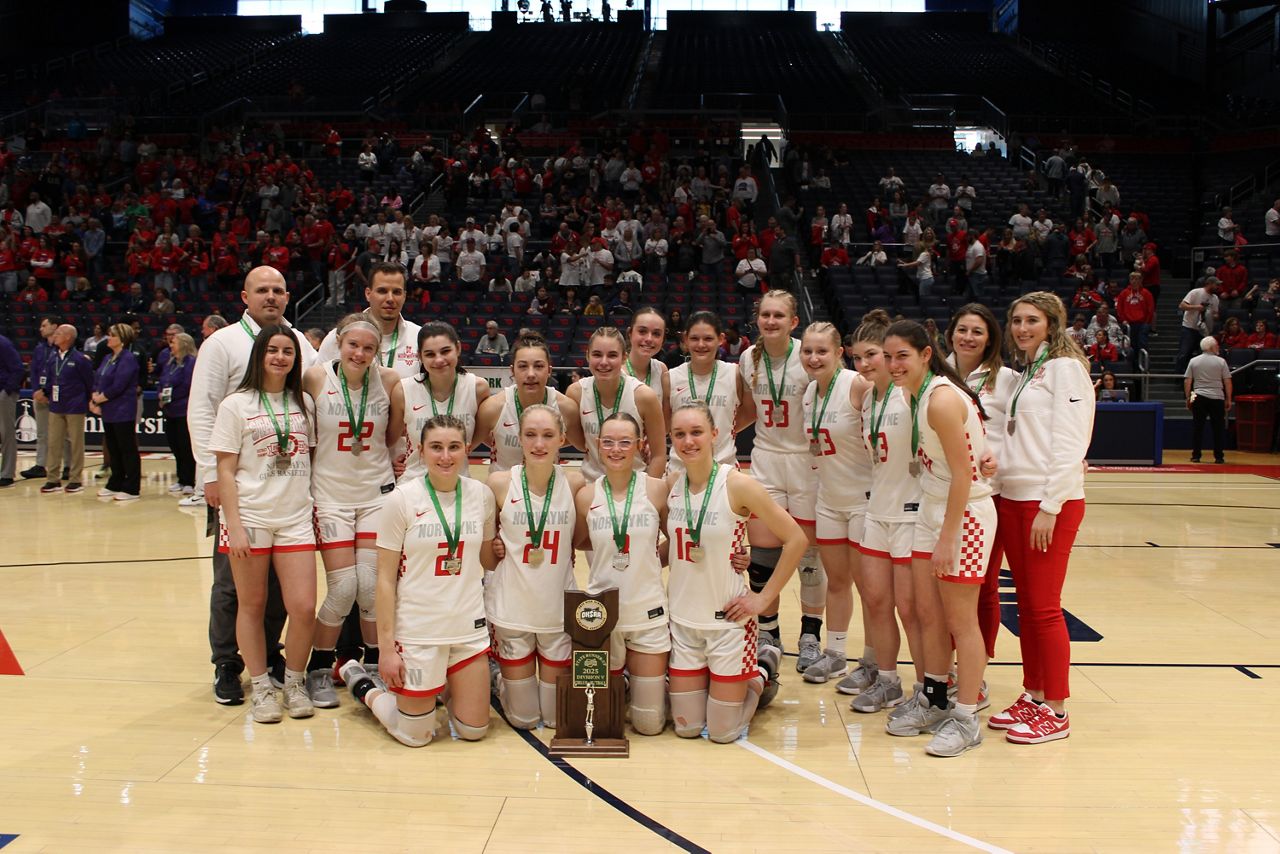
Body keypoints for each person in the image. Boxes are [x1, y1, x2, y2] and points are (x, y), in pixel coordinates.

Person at [189, 266, 319, 705]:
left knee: (284, 592)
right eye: (261, 290)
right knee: (232, 584)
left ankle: (270, 655)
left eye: (278, 290)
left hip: (288, 494)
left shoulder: (299, 342)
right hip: (238, 487)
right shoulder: (220, 342)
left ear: (287, 296)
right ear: (245, 296)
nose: (270, 297)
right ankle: (228, 661)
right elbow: (202, 410)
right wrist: (209, 473)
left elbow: (324, 391)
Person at [341, 414, 495, 747]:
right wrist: (386, 649)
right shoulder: (402, 499)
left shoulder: (481, 496)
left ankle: (436, 688)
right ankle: (363, 685)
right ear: (420, 451)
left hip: (466, 629)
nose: (445, 456)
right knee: (415, 737)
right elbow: (384, 579)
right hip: (418, 632)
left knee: (474, 730)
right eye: (436, 447)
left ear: (467, 449)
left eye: (454, 447)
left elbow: (486, 560)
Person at [879, 320, 995, 757]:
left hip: (962, 514)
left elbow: (965, 475)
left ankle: (966, 719)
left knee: (960, 621)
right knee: (927, 612)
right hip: (933, 506)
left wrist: (948, 538)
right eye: (888, 356)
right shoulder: (917, 392)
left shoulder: (940, 399)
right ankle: (935, 698)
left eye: (901, 355)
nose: (893, 364)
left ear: (926, 354)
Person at [666, 401, 804, 743]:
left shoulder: (739, 485)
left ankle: (761, 673)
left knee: (724, 733)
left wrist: (763, 599)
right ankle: (727, 681)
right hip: (683, 625)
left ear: (715, 435)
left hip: (728, 624)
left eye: (697, 432)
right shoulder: (671, 485)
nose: (688, 441)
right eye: (679, 434)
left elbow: (796, 539)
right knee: (686, 727)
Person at [991, 292, 1095, 744]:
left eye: (1031, 320)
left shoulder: (1065, 370)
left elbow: (1072, 443)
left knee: (1046, 608)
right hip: (1014, 498)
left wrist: (1051, 506)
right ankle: (1033, 694)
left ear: (1052, 324)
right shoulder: (1027, 373)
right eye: (1016, 320)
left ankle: (1056, 709)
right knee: (1030, 609)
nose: (1021, 327)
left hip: (1047, 503)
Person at [209, 326, 318, 724]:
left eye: (287, 351)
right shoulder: (235, 404)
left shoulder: (304, 401)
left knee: (303, 608)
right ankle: (261, 688)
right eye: (272, 350)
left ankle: (293, 680)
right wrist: (232, 524)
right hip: (250, 517)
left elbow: (313, 459)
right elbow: (224, 468)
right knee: (251, 605)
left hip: (294, 518)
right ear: (260, 355)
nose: (280, 357)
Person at [301, 315, 404, 708]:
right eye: (353, 345)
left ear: (377, 351)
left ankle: (376, 664)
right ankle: (318, 668)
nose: (360, 354)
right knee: (343, 587)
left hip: (376, 495)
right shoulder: (314, 377)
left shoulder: (390, 381)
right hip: (330, 496)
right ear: (339, 344)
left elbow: (392, 435)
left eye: (368, 348)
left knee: (370, 589)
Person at [737, 290, 824, 671]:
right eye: (765, 314)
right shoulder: (747, 358)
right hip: (767, 460)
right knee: (762, 558)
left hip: (806, 461)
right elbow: (747, 409)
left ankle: (810, 634)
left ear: (793, 322)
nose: (770, 321)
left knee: (808, 556)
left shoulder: (808, 356)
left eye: (778, 316)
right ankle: (769, 632)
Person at [486, 404, 586, 730]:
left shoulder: (574, 484)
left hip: (557, 612)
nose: (539, 444)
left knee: (557, 718)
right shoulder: (499, 483)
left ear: (562, 439)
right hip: (511, 610)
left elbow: (584, 539)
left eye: (547, 435)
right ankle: (497, 680)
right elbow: (484, 545)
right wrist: (494, 543)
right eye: (531, 435)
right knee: (524, 719)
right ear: (519, 438)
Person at [574, 413, 671, 735]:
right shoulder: (586, 497)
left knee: (648, 724)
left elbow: (684, 540)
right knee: (601, 724)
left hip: (648, 613)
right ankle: (622, 683)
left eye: (625, 442)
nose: (616, 449)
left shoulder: (658, 490)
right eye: (609, 442)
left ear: (640, 446)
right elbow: (575, 543)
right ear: (598, 446)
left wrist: (652, 561)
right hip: (602, 615)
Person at [847, 310, 921, 714]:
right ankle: (888, 680)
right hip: (876, 510)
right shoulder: (867, 399)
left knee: (912, 609)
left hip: (911, 513)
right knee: (876, 601)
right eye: (858, 358)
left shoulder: (909, 393)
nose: (866, 364)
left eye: (873, 354)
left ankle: (928, 686)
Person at [797, 321, 875, 690]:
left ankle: (874, 661)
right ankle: (837, 653)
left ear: (839, 353)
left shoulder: (857, 386)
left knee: (870, 587)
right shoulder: (810, 393)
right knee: (837, 582)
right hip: (828, 500)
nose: (814, 358)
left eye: (822, 351)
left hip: (864, 501)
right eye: (808, 351)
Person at [946, 304, 1017, 677]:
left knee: (983, 586)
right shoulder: (936, 373)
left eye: (977, 331)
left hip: (987, 495)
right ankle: (944, 668)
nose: (968, 337)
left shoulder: (1006, 380)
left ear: (989, 338)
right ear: (951, 333)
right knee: (942, 588)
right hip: (939, 494)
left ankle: (977, 667)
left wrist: (997, 459)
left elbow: (1018, 432)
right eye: (962, 329)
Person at [474, 334, 584, 474]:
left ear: (549, 370)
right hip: (503, 492)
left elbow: (583, 445)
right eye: (523, 366)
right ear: (512, 370)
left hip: (548, 490)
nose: (531, 374)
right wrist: (499, 441)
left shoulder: (566, 408)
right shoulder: (492, 408)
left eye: (538, 366)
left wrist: (552, 440)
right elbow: (470, 444)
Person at [567, 327, 666, 481]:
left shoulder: (644, 396)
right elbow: (578, 442)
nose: (604, 362)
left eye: (612, 355)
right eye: (597, 355)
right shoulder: (576, 393)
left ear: (624, 357)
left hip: (635, 488)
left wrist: (646, 495)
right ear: (587, 356)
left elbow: (659, 456)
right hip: (592, 486)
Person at [400, 322, 490, 484]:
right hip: (414, 484)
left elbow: (480, 435)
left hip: (459, 482)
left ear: (458, 348)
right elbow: (391, 437)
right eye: (430, 354)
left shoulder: (477, 388)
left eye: (445, 351)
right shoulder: (403, 389)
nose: (439, 360)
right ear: (419, 356)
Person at [665, 312, 747, 475]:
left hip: (723, 468)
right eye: (695, 338)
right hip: (680, 470)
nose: (701, 344)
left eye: (708, 339)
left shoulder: (734, 374)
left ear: (721, 339)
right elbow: (667, 424)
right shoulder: (671, 378)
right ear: (686, 339)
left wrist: (723, 428)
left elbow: (749, 412)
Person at [36, 324, 94, 494]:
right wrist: (44, 391)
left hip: (75, 405)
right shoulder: (53, 357)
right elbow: (50, 379)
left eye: (59, 333)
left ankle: (75, 479)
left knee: (76, 443)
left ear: (68, 337)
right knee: (54, 443)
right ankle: (53, 479)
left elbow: (89, 382)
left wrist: (89, 400)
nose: (56, 335)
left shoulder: (80, 359)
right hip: (56, 405)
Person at [90, 323, 142, 501]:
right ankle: (116, 481)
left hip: (123, 410)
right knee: (113, 447)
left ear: (122, 339)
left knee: (127, 448)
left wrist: (100, 398)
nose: (108, 338)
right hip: (109, 410)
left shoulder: (127, 359)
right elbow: (97, 379)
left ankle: (132, 487)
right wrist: (94, 396)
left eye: (112, 335)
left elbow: (119, 385)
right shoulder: (107, 358)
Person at [158, 332, 198, 497]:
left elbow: (188, 385)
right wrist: (161, 395)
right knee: (175, 446)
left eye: (173, 343)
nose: (170, 346)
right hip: (170, 410)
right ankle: (181, 478)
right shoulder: (170, 363)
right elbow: (162, 381)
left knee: (185, 446)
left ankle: (189, 480)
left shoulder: (191, 363)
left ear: (183, 344)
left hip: (183, 409)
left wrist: (171, 396)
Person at [21, 316, 60, 481]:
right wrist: (37, 390)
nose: (40, 328)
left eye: (44, 325)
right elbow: (35, 371)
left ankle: (67, 466)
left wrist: (48, 392)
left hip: (57, 396)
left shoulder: (62, 348)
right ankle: (40, 464)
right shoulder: (39, 348)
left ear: (55, 326)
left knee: (63, 434)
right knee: (42, 432)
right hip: (40, 396)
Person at [1185, 337, 1232, 465]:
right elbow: (1227, 381)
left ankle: (1196, 455)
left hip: (1198, 395)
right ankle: (1219, 456)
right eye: (1216, 345)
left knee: (1197, 427)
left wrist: (1188, 397)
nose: (1218, 347)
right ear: (1211, 347)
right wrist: (1228, 398)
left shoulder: (1194, 361)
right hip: (1217, 397)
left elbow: (1188, 380)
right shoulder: (1221, 362)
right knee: (1218, 428)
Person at [1176, 277, 1220, 373]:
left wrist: (1214, 315)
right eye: (1216, 284)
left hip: (1204, 329)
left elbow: (1216, 313)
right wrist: (1197, 307)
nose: (1218, 287)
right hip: (1189, 327)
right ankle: (1179, 374)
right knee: (1184, 352)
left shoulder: (1215, 298)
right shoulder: (1195, 292)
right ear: (1209, 284)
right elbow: (1182, 306)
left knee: (1202, 354)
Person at [0, 332, 20, 487]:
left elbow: (17, 369)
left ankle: (7, 474)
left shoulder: (3, 343)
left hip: (3, 393)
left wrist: (6, 391)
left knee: (6, 433)